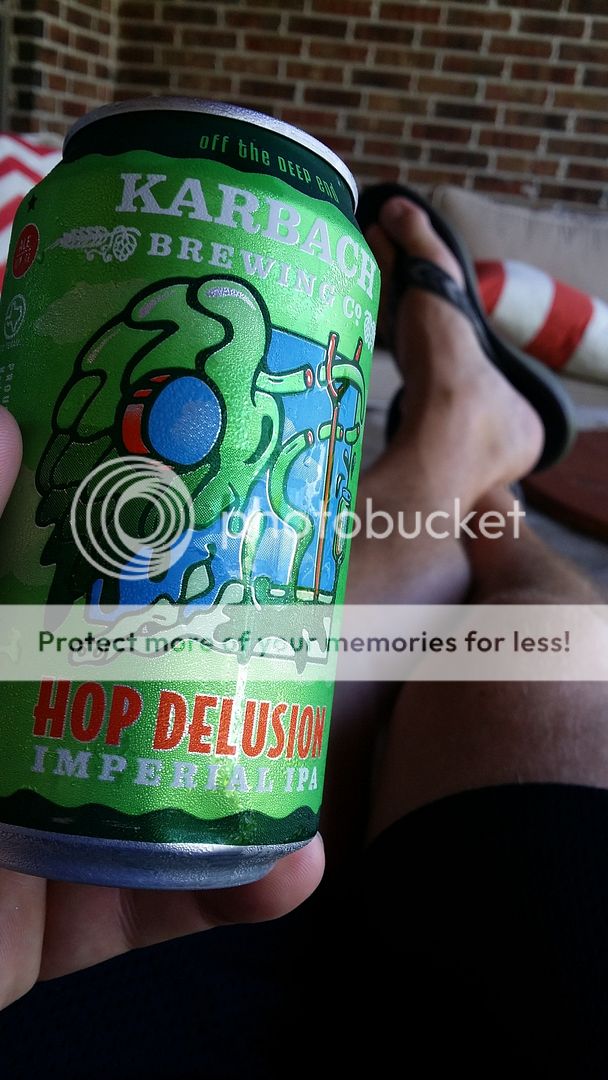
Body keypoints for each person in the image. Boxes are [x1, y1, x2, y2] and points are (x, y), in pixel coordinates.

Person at [0, 194, 607, 1073]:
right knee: (543, 642)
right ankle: (485, 488)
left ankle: (465, 453)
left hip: (115, 981)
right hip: (413, 978)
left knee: (301, 654)